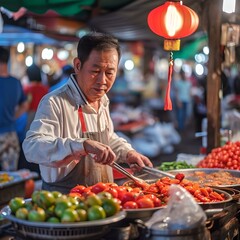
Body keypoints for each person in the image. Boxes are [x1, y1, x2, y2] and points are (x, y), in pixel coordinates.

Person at [22, 32, 153, 194]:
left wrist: (127, 153)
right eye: (95, 71)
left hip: (102, 200)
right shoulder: (55, 102)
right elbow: (32, 147)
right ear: (78, 65)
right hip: (64, 203)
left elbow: (107, 138)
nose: (102, 80)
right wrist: (81, 145)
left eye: (110, 72)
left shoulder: (102, 100)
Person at [0, 46, 28, 171]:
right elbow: (25, 105)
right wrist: (12, 117)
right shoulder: (16, 82)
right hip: (11, 136)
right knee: (10, 180)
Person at [24, 63, 49, 131]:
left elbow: (27, 105)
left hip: (31, 116)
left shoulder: (28, 89)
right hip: (44, 116)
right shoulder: (45, 89)